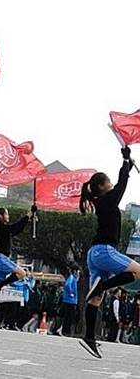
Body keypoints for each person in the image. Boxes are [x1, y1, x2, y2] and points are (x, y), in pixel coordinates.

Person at [78, 146, 140, 358]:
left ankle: (89, 337)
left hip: (95, 254)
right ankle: (101, 286)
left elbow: (119, 185)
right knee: (137, 271)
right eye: (108, 183)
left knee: (97, 299)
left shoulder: (100, 200)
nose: (112, 185)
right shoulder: (107, 200)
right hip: (104, 251)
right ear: (102, 186)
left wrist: (127, 165)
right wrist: (125, 163)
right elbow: (121, 185)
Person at [0, 206, 36, 297]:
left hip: (1, 258)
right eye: (6, 214)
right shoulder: (2, 227)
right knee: (22, 273)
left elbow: (17, 229)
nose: (8, 216)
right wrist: (29, 214)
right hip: (1, 258)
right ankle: (2, 283)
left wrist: (28, 219)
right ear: (0, 216)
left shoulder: (3, 228)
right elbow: (16, 226)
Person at [58, 265, 80, 336]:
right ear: (75, 271)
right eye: (78, 272)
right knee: (69, 317)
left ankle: (63, 330)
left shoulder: (74, 278)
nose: (78, 273)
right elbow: (67, 285)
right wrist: (71, 293)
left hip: (72, 301)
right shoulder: (71, 277)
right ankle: (64, 331)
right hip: (70, 301)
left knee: (69, 317)